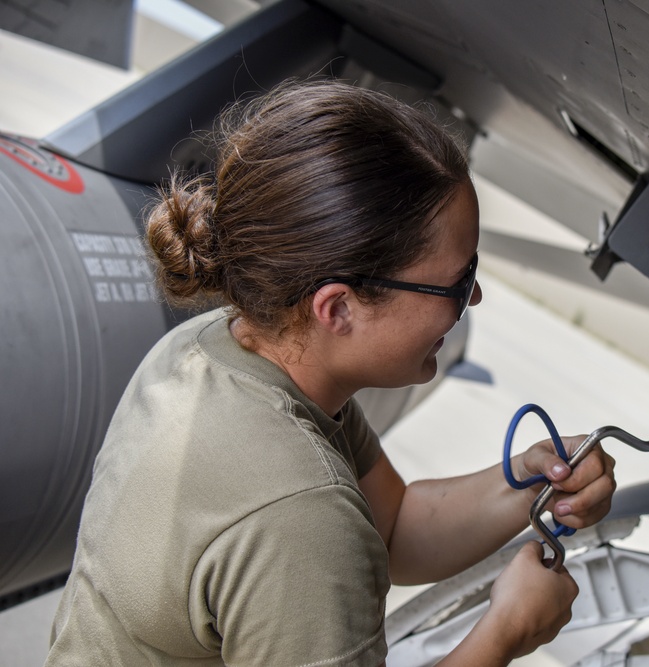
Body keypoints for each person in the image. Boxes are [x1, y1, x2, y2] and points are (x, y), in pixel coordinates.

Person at [45, 79, 616, 666]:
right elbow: (315, 522)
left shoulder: (211, 349)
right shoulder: (299, 513)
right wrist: (508, 632)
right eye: (456, 283)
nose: (473, 300)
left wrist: (530, 481)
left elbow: (392, 527)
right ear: (337, 308)